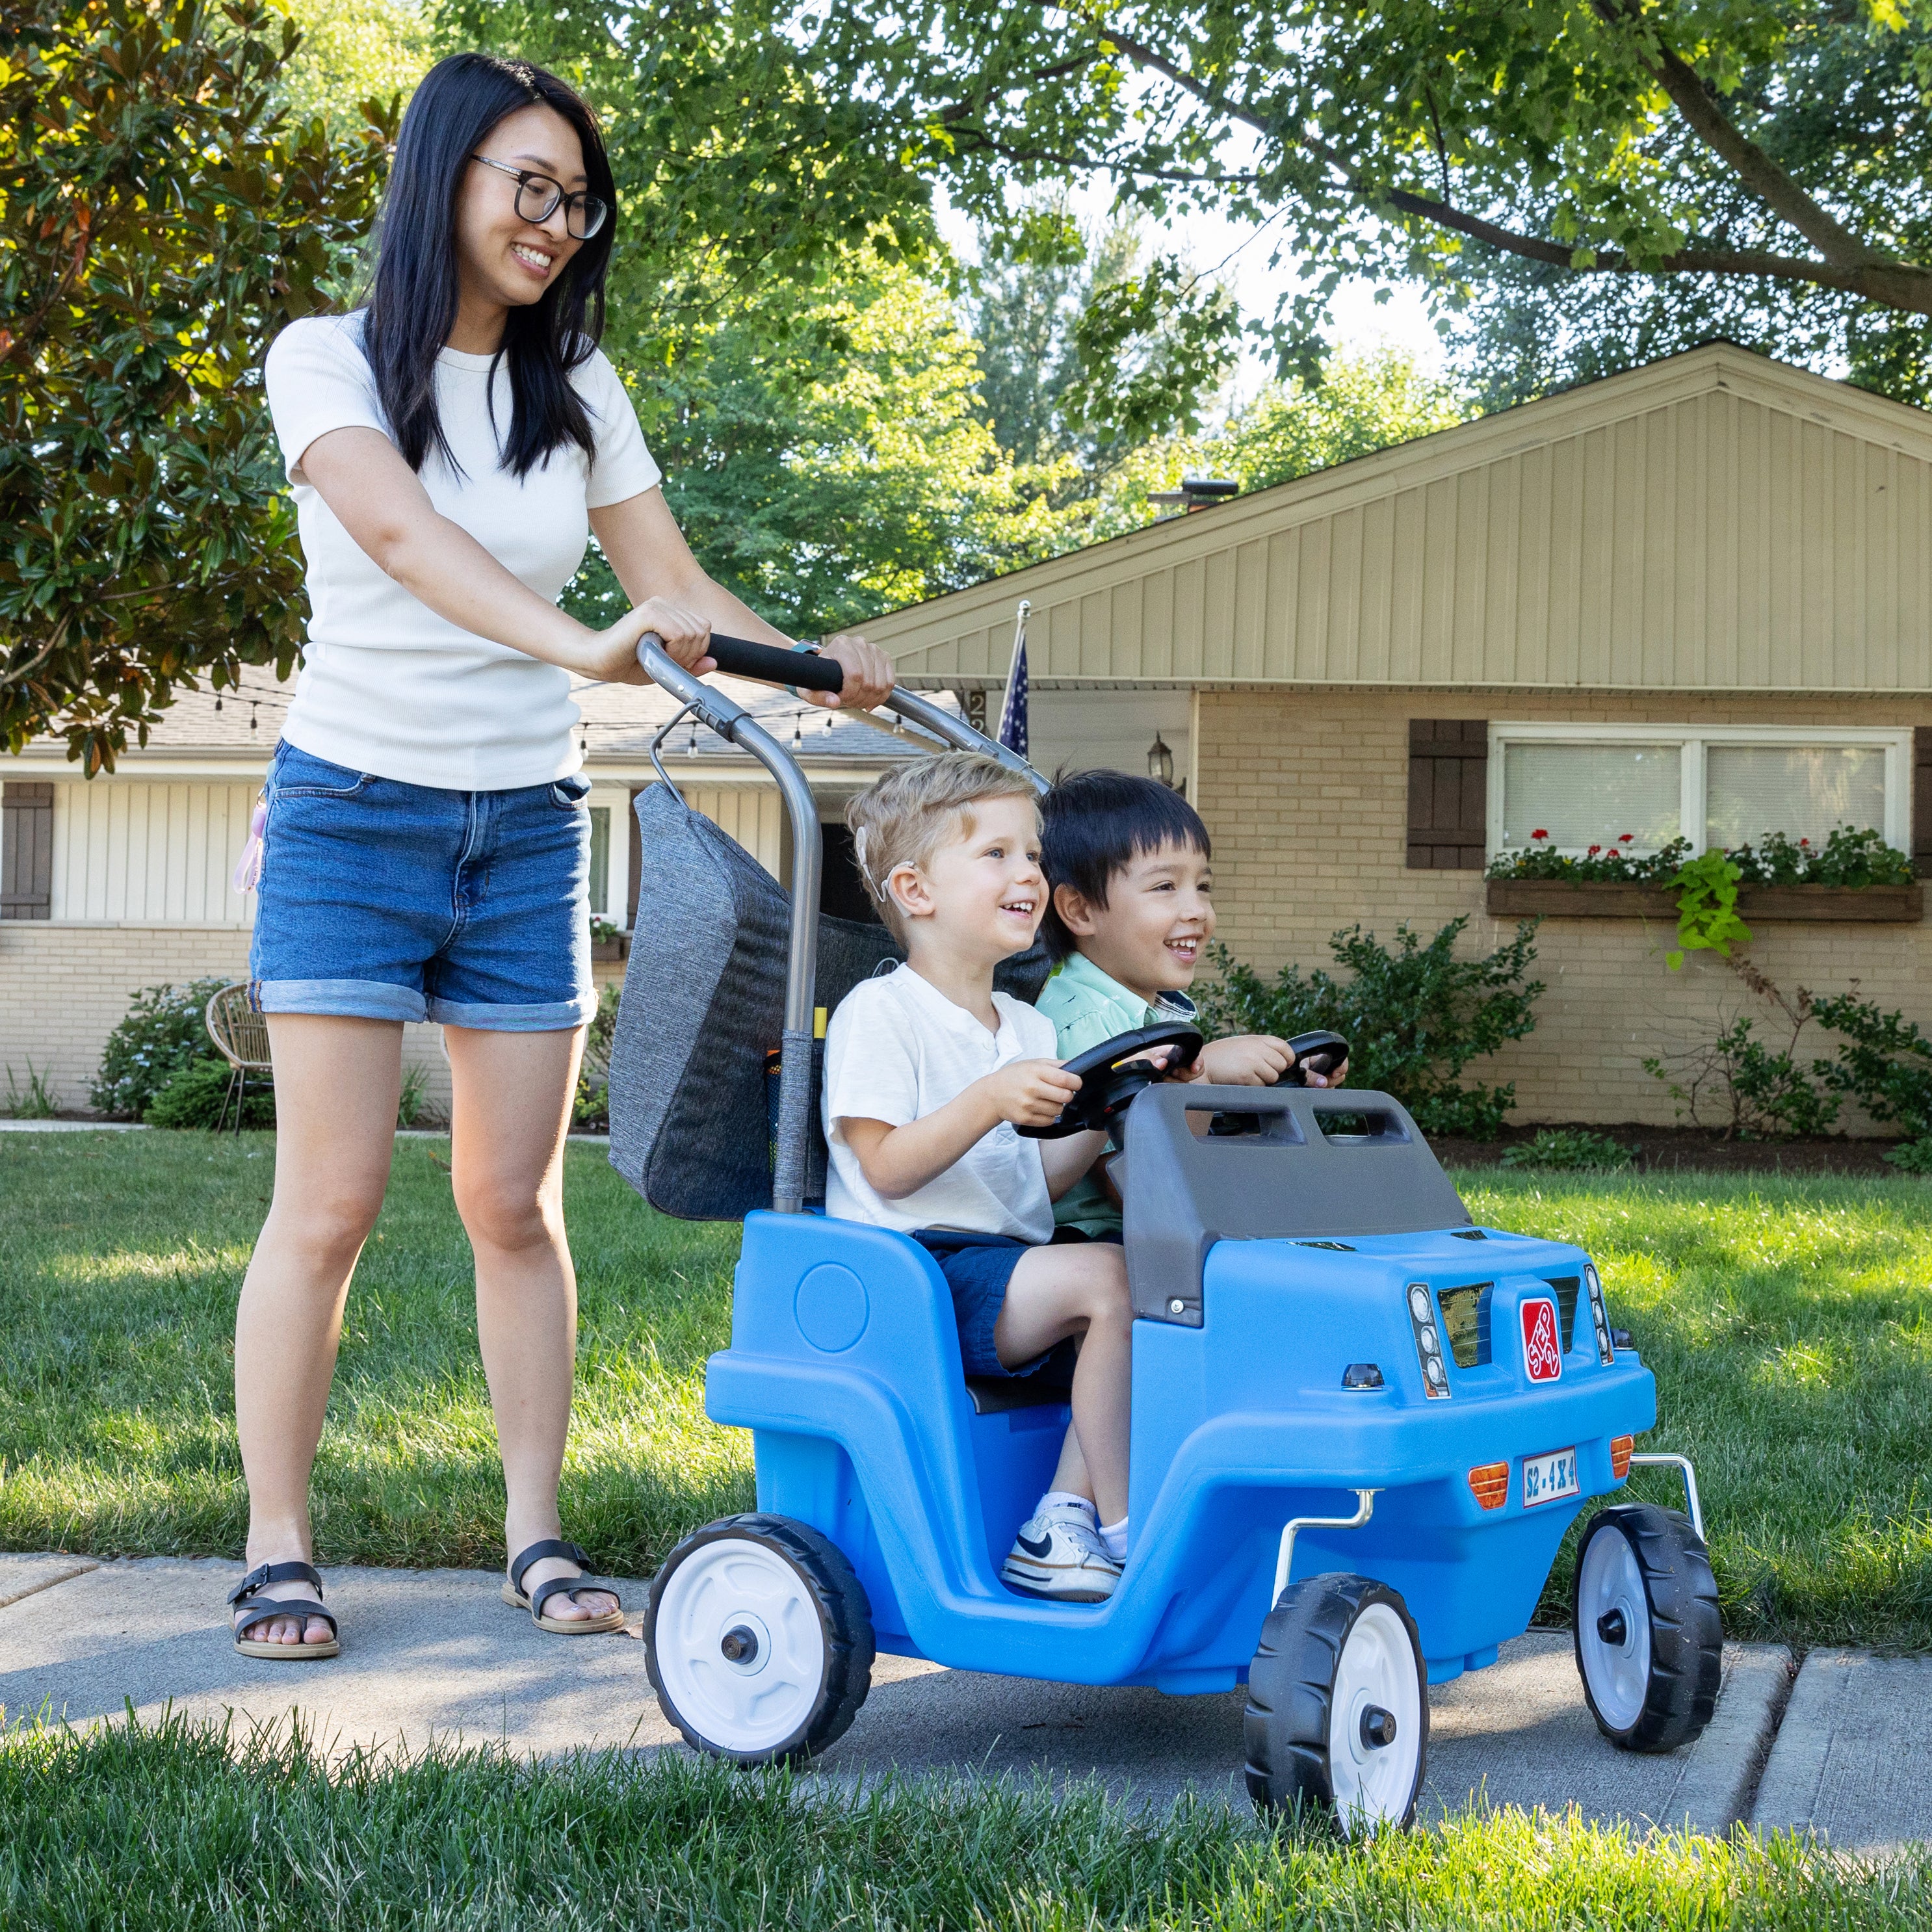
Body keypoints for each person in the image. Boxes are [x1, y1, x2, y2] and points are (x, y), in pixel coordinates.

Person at [229, 52, 894, 1659]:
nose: (555, 221)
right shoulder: (322, 360)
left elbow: (671, 590)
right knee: (328, 1201)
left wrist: (816, 660)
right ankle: (276, 1543)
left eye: (576, 200)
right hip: (349, 815)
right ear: (444, 177)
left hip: (525, 831)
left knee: (514, 1202)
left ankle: (538, 1533)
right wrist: (585, 649)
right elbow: (404, 537)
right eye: (529, 186)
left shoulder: (577, 384)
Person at [821, 755, 1163, 1602]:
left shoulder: (1028, 1025)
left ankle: (1060, 1519)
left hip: (999, 1264)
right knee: (1111, 1279)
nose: (1030, 874)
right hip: (914, 1272)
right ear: (916, 890)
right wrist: (985, 1101)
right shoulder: (882, 1013)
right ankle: (1125, 1532)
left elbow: (1033, 1185)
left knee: (1163, 1289)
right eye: (998, 856)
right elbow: (887, 1169)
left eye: (1034, 856)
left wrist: (1109, 1110)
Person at [1038, 770, 1346, 1242]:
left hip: (1156, 1232)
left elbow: (1196, 1147)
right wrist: (1208, 1072)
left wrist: (1277, 1090)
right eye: (1165, 887)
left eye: (1203, 886)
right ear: (1080, 911)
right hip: (1100, 1239)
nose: (1198, 910)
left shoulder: (1160, 1013)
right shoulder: (1087, 1020)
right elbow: (1139, 1185)